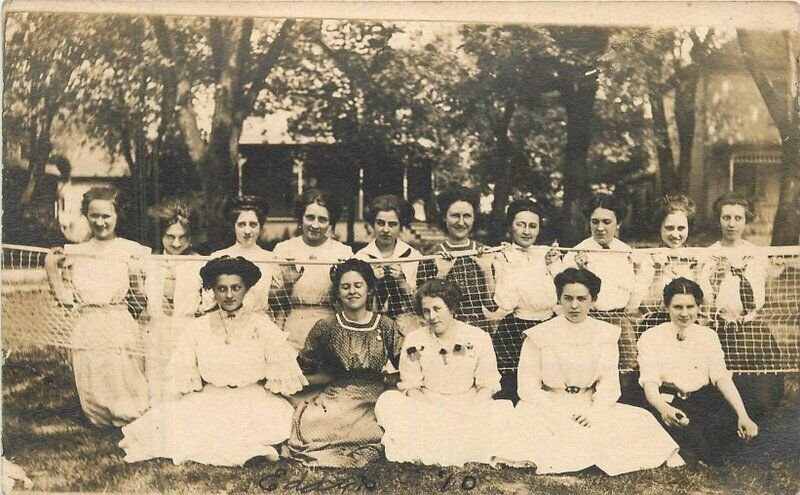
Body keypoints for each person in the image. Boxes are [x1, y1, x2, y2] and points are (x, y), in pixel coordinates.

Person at [118, 256, 306, 466]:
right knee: (178, 428)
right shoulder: (197, 328)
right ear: (213, 291)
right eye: (221, 289)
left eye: (236, 288)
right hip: (212, 396)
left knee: (264, 425)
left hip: (252, 397)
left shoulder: (263, 327)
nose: (229, 295)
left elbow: (280, 373)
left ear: (246, 289)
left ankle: (254, 448)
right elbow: (183, 370)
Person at [495, 268, 681, 475]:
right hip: (547, 406)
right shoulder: (539, 335)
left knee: (639, 419)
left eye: (582, 298)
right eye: (568, 298)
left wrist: (594, 412)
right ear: (559, 299)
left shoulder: (605, 334)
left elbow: (609, 385)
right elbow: (527, 387)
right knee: (531, 428)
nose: (574, 305)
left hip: (589, 403)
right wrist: (560, 411)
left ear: (593, 300)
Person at [375, 279, 513, 467]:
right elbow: (411, 384)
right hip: (428, 405)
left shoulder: (478, 337)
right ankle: (451, 443)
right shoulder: (414, 340)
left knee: (501, 412)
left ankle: (454, 443)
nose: (431, 316)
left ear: (451, 308)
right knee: (388, 401)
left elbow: (487, 383)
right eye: (426, 311)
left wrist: (469, 411)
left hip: (469, 404)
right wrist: (434, 411)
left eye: (437, 309)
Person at [44, 186, 150, 426]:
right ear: (86, 215)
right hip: (88, 322)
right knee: (93, 373)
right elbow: (64, 297)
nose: (100, 222)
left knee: (123, 373)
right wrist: (51, 265)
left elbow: (141, 299)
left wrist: (135, 276)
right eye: (94, 216)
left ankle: (131, 416)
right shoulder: (75, 252)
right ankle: (99, 418)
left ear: (117, 216)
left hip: (118, 321)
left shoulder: (131, 250)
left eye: (106, 216)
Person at [286, 259, 404, 467]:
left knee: (379, 428)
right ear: (338, 293)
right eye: (345, 286)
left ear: (369, 289)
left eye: (358, 285)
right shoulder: (326, 326)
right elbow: (304, 367)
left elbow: (405, 364)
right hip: (337, 398)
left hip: (372, 398)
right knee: (315, 424)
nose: (352, 292)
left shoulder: (386, 326)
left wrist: (388, 380)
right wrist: (326, 378)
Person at [638, 278, 759, 465]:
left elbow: (721, 378)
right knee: (679, 432)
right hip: (666, 401)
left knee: (734, 430)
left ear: (698, 307)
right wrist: (665, 409)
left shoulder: (708, 336)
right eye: (678, 307)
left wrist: (743, 415)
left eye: (690, 307)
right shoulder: (651, 337)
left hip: (701, 399)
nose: (685, 313)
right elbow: (650, 383)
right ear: (666, 307)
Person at [700, 192, 783, 419]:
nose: (732, 224)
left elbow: (762, 289)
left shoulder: (757, 254)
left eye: (738, 218)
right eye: (726, 217)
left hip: (751, 326)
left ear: (746, 220)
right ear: (719, 220)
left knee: (759, 385)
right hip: (722, 327)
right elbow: (706, 295)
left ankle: (756, 418)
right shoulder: (709, 255)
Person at [563, 194, 649, 374]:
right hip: (588, 322)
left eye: (607, 222)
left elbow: (636, 291)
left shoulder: (627, 253)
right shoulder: (575, 253)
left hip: (620, 321)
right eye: (595, 222)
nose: (600, 228)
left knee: (627, 369)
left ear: (618, 223)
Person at [488, 199, 560, 402]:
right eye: (521, 224)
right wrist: (511, 264)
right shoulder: (502, 256)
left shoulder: (546, 254)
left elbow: (558, 294)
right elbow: (506, 301)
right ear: (511, 226)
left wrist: (551, 265)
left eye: (532, 226)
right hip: (515, 329)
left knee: (548, 382)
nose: (526, 231)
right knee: (513, 386)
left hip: (548, 325)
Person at [273, 189, 353, 350]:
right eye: (310, 217)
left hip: (330, 323)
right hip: (293, 324)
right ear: (301, 218)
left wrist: (338, 284)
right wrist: (288, 284)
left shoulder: (343, 252)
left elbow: (351, 300)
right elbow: (273, 301)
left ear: (331, 222)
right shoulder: (284, 250)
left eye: (322, 219)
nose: (315, 225)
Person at [144, 199, 204, 405]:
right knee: (156, 376)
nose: (176, 243)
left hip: (186, 330)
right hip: (156, 330)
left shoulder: (200, 265)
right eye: (170, 237)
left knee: (184, 378)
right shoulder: (148, 263)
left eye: (182, 237)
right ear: (161, 235)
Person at [416, 187, 497, 332]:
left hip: (478, 331)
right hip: (442, 330)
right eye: (455, 215)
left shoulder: (484, 253)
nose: (461, 222)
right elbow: (422, 306)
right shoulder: (431, 256)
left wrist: (486, 270)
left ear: (474, 218)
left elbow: (492, 306)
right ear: (444, 217)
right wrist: (441, 274)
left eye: (467, 216)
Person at [638, 195, 707, 332]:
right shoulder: (649, 258)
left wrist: (698, 270)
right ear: (660, 228)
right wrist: (658, 271)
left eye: (681, 228)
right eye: (669, 228)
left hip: (690, 326)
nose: (675, 235)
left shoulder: (698, 259)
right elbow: (645, 305)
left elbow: (705, 303)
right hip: (656, 326)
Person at [207, 195, 281, 314]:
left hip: (258, 324)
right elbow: (209, 301)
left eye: (253, 225)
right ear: (233, 226)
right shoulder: (218, 257)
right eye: (241, 224)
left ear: (260, 227)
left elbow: (277, 300)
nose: (247, 231)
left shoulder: (270, 259)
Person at [355, 194, 421, 322]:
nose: (386, 229)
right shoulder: (360, 258)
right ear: (372, 224)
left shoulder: (413, 256)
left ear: (400, 226)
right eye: (380, 223)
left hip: (406, 323)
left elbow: (421, 301)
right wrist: (371, 281)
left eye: (392, 224)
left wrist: (402, 282)